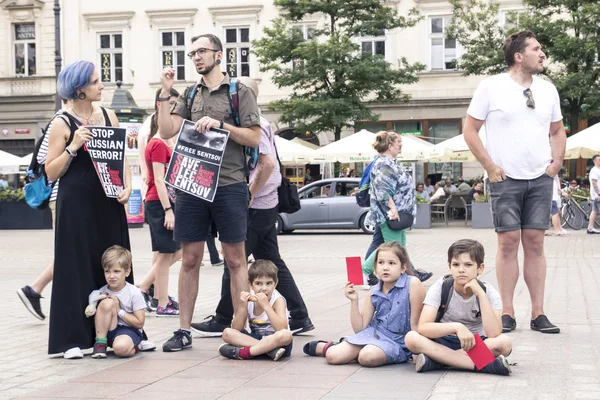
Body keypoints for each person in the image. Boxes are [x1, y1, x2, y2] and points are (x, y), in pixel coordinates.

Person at [157, 33, 260, 352]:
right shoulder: (188, 94)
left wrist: (221, 125)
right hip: (193, 183)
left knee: (235, 259)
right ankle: (183, 330)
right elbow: (165, 131)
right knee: (189, 258)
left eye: (201, 51)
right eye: (192, 54)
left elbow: (254, 138)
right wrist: (164, 93)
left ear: (219, 55)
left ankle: (240, 327)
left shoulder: (238, 92)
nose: (196, 57)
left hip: (229, 183)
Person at [192, 77, 313, 337]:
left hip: (257, 203)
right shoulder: (255, 121)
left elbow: (268, 163)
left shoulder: (257, 123)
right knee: (270, 261)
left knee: (234, 260)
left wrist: (248, 194)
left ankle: (225, 317)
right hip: (264, 203)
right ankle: (300, 315)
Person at [464, 30, 565, 334]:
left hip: (540, 178)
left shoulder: (548, 90)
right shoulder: (490, 87)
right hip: (504, 178)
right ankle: (506, 312)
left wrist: (556, 163)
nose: (542, 53)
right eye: (537, 49)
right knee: (508, 243)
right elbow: (469, 130)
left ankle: (538, 313)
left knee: (535, 243)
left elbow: (558, 130)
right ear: (519, 56)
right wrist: (489, 166)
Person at [45, 61, 134, 358]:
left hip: (108, 201)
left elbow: (122, 160)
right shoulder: (62, 122)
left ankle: (122, 330)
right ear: (80, 89)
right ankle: (72, 339)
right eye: (96, 82)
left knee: (113, 261)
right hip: (76, 204)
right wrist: (73, 146)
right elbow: (50, 172)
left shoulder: (109, 115)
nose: (102, 86)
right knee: (76, 265)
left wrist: (128, 187)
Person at [303, 242, 425, 367]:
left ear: (403, 268)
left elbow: (416, 323)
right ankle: (337, 347)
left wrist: (416, 350)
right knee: (333, 356)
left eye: (392, 263)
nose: (385, 268)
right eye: (381, 263)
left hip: (400, 340)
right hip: (375, 334)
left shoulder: (412, 284)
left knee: (367, 357)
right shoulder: (375, 291)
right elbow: (360, 328)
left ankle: (355, 350)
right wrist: (353, 301)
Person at [405, 239, 513, 375]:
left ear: (480, 268)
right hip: (443, 340)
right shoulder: (441, 287)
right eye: (456, 265)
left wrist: (480, 294)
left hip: (476, 343)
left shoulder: (488, 292)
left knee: (504, 343)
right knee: (411, 338)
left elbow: (493, 333)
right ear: (449, 267)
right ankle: (483, 364)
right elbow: (423, 327)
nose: (461, 270)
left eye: (468, 265)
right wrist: (457, 327)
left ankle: (438, 361)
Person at [17, 99, 70, 321]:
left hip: (71, 197)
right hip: (60, 197)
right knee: (66, 251)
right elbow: (42, 159)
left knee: (67, 250)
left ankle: (35, 290)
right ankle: (35, 290)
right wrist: (71, 149)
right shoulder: (61, 121)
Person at [361, 131, 432, 283]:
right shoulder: (384, 164)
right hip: (390, 214)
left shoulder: (388, 162)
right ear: (389, 145)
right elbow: (383, 191)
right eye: (398, 142)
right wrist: (393, 209)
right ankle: (368, 270)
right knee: (394, 248)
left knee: (395, 245)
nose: (400, 145)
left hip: (395, 213)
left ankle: (407, 274)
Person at [138, 88, 182, 316]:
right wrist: (168, 210)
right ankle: (161, 301)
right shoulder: (156, 144)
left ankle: (148, 290)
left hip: (164, 202)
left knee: (174, 252)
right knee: (166, 255)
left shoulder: (166, 142)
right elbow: (158, 179)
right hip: (159, 202)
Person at [217, 260, 293, 361]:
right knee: (227, 333)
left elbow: (282, 327)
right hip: (256, 339)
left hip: (277, 341)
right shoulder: (249, 300)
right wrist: (243, 306)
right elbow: (236, 328)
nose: (264, 288)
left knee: (285, 335)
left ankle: (246, 352)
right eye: (258, 283)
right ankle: (268, 350)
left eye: (269, 283)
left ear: (275, 284)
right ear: (251, 285)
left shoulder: (277, 300)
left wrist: (266, 306)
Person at [85, 246, 146, 359]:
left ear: (127, 272)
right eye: (107, 271)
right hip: (108, 330)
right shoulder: (102, 291)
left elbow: (139, 323)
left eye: (117, 271)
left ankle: (137, 345)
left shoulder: (134, 292)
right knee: (106, 303)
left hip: (129, 330)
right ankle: (100, 344)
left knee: (121, 350)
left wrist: (119, 310)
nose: (111, 276)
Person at [586, 155, 600, 234]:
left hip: (596, 195)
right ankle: (590, 228)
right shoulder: (594, 170)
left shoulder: (598, 170)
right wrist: (599, 194)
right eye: (599, 159)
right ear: (595, 161)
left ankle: (590, 228)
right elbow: (594, 183)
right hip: (597, 195)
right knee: (595, 210)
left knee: (594, 211)